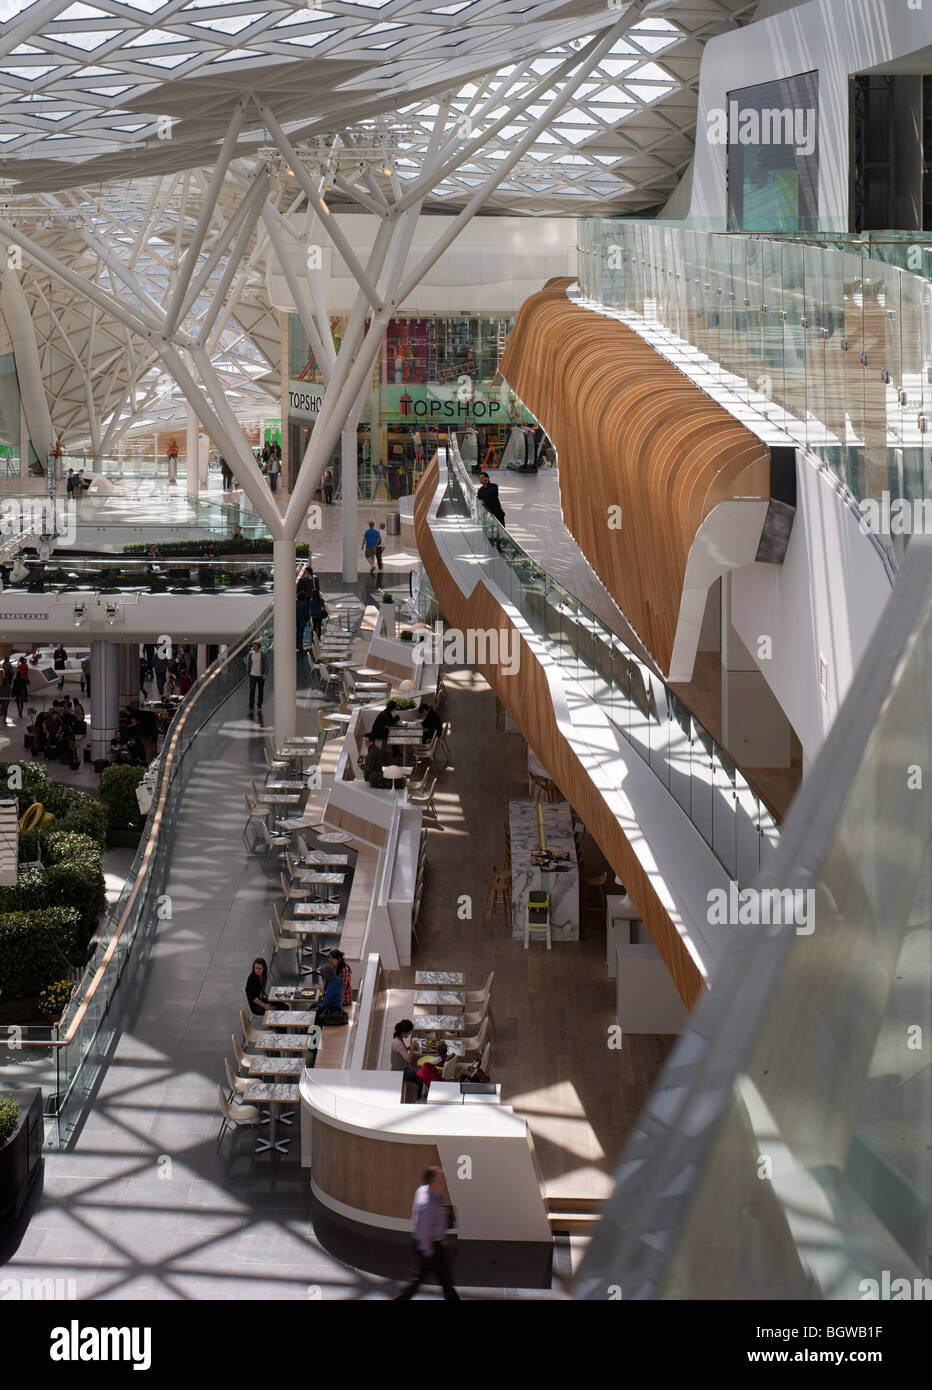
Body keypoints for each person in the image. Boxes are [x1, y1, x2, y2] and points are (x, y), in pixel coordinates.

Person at [394, 1167, 459, 1301]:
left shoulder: (424, 1191)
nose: (444, 1182)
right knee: (441, 1280)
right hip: (430, 1248)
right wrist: (429, 1254)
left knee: (436, 1280)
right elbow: (423, 1231)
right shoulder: (428, 1205)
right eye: (441, 1180)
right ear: (433, 1183)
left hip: (430, 1247)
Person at [246, 640, 266, 715]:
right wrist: (249, 674)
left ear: (258, 646)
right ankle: (251, 707)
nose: (253, 647)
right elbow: (249, 665)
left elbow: (266, 664)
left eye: (255, 646)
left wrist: (265, 674)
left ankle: (259, 705)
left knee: (260, 691)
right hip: (252, 675)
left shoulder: (262, 654)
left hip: (260, 676)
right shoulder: (251, 655)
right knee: (251, 692)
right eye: (253, 646)